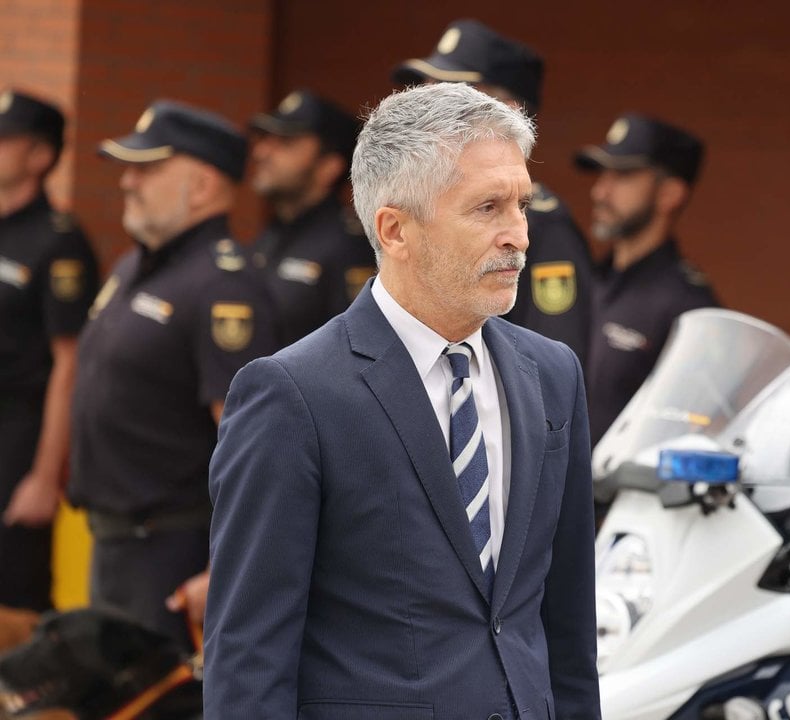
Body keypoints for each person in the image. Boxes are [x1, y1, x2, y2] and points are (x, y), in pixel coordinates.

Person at [204, 83, 599, 720]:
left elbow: (569, 623)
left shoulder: (552, 373)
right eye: (488, 207)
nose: (518, 236)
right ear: (394, 230)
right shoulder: (293, 395)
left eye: (521, 205)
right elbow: (249, 656)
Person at [67, 100, 278, 648]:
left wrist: (223, 569)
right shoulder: (135, 267)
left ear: (203, 185)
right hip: (116, 545)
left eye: (148, 168)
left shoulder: (222, 286)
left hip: (173, 559)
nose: (128, 182)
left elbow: (251, 444)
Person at [393, 19, 593, 366]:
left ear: (510, 114)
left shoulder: (547, 227)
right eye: (427, 95)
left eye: (451, 98)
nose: (427, 114)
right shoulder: (416, 204)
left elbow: (547, 371)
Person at [0, 88, 98, 611]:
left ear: (39, 157)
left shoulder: (58, 239)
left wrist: (43, 477)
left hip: (17, 438)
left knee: (13, 600)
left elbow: (70, 363)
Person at [575, 113, 720, 447]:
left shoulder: (691, 309)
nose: (600, 192)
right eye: (602, 174)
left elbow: (694, 432)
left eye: (622, 176)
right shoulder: (585, 279)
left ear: (669, 194)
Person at [248, 89, 376, 347]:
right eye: (265, 140)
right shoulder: (270, 234)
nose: (261, 153)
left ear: (329, 166)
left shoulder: (348, 246)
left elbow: (356, 346)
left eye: (286, 143)